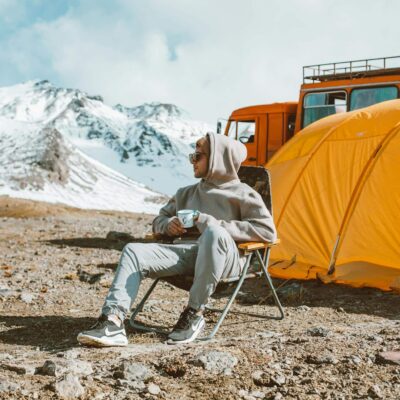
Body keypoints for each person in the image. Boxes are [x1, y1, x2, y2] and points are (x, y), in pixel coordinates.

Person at [77, 132, 277, 347]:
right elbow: (158, 220)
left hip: (225, 260)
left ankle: (195, 312)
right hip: (185, 255)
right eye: (192, 155)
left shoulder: (244, 194)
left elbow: (267, 232)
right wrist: (168, 225)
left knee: (214, 233)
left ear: (218, 158)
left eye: (198, 156)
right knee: (133, 250)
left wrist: (212, 223)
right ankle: (113, 321)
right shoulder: (186, 193)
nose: (192, 160)